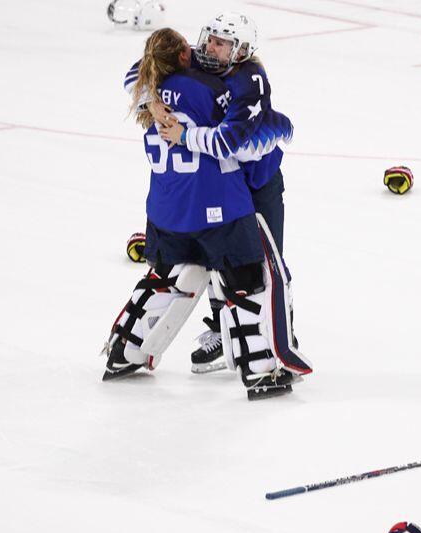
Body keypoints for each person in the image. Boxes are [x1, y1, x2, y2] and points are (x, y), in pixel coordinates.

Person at [104, 28, 310, 400]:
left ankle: (124, 350)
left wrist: (153, 105)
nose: (203, 48)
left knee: (169, 275)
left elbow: (134, 76)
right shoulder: (212, 90)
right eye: (195, 44)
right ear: (183, 55)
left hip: (166, 208)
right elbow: (248, 144)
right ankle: (262, 369)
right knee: (250, 278)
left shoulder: (151, 85)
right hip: (218, 205)